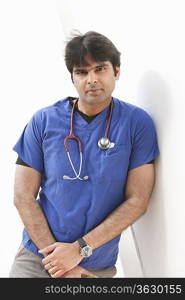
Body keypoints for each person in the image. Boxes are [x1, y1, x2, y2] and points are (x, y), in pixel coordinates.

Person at [9, 31, 159, 278]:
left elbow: (137, 200)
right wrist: (58, 262)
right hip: (36, 259)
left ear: (116, 72)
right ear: (73, 78)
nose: (92, 79)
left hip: (94, 265)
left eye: (100, 69)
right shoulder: (43, 121)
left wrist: (79, 249)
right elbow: (23, 195)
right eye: (82, 72)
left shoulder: (136, 124)